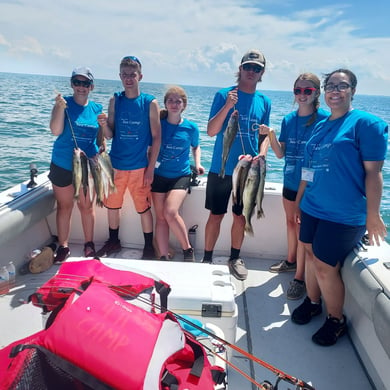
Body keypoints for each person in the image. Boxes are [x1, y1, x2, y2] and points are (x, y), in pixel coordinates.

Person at [291, 69, 388, 346]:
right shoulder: (320, 126)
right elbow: (308, 170)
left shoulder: (366, 124)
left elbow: (374, 173)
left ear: (353, 91)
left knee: (324, 265)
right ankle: (312, 302)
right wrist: (299, 202)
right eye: (330, 85)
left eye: (342, 86)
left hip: (344, 214)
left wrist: (372, 214)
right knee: (308, 253)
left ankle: (336, 320)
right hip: (312, 206)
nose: (335, 90)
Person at [202, 49, 271, 280]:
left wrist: (261, 154)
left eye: (257, 68)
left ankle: (234, 257)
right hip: (220, 168)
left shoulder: (264, 101)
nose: (251, 71)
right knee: (216, 215)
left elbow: (265, 136)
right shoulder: (224, 94)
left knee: (240, 216)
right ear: (240, 69)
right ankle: (207, 258)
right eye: (248, 67)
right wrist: (228, 106)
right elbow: (211, 131)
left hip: (248, 170)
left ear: (262, 73)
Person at [260, 73, 328, 300]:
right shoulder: (288, 120)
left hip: (312, 186)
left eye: (307, 91)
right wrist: (270, 134)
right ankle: (291, 261)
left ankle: (299, 277)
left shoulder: (325, 120)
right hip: (289, 181)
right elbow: (280, 154)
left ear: (316, 93)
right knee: (290, 223)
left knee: (302, 232)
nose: (302, 95)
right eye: (298, 90)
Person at [96, 56, 161, 259]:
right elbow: (110, 134)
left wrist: (151, 168)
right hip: (115, 165)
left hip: (140, 166)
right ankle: (113, 241)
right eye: (124, 74)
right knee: (112, 206)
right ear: (120, 76)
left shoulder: (150, 102)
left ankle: (149, 247)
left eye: (132, 75)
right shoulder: (115, 100)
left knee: (143, 209)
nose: (128, 78)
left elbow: (157, 137)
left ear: (140, 76)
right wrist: (103, 124)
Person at [48, 67, 102, 262]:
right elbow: (55, 130)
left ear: (91, 86)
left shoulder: (97, 109)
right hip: (63, 163)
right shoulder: (64, 104)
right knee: (65, 206)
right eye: (77, 82)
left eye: (85, 83)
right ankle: (63, 246)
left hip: (87, 165)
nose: (81, 87)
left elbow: (100, 138)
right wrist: (58, 108)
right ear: (72, 84)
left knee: (86, 207)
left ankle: (89, 244)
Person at [152, 86, 205, 261]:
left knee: (170, 211)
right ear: (165, 104)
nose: (174, 104)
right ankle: (162, 256)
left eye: (178, 101)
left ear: (184, 105)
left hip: (180, 176)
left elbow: (196, 146)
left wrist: (197, 164)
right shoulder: (158, 125)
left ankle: (187, 249)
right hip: (158, 175)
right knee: (160, 218)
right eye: (170, 101)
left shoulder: (191, 127)